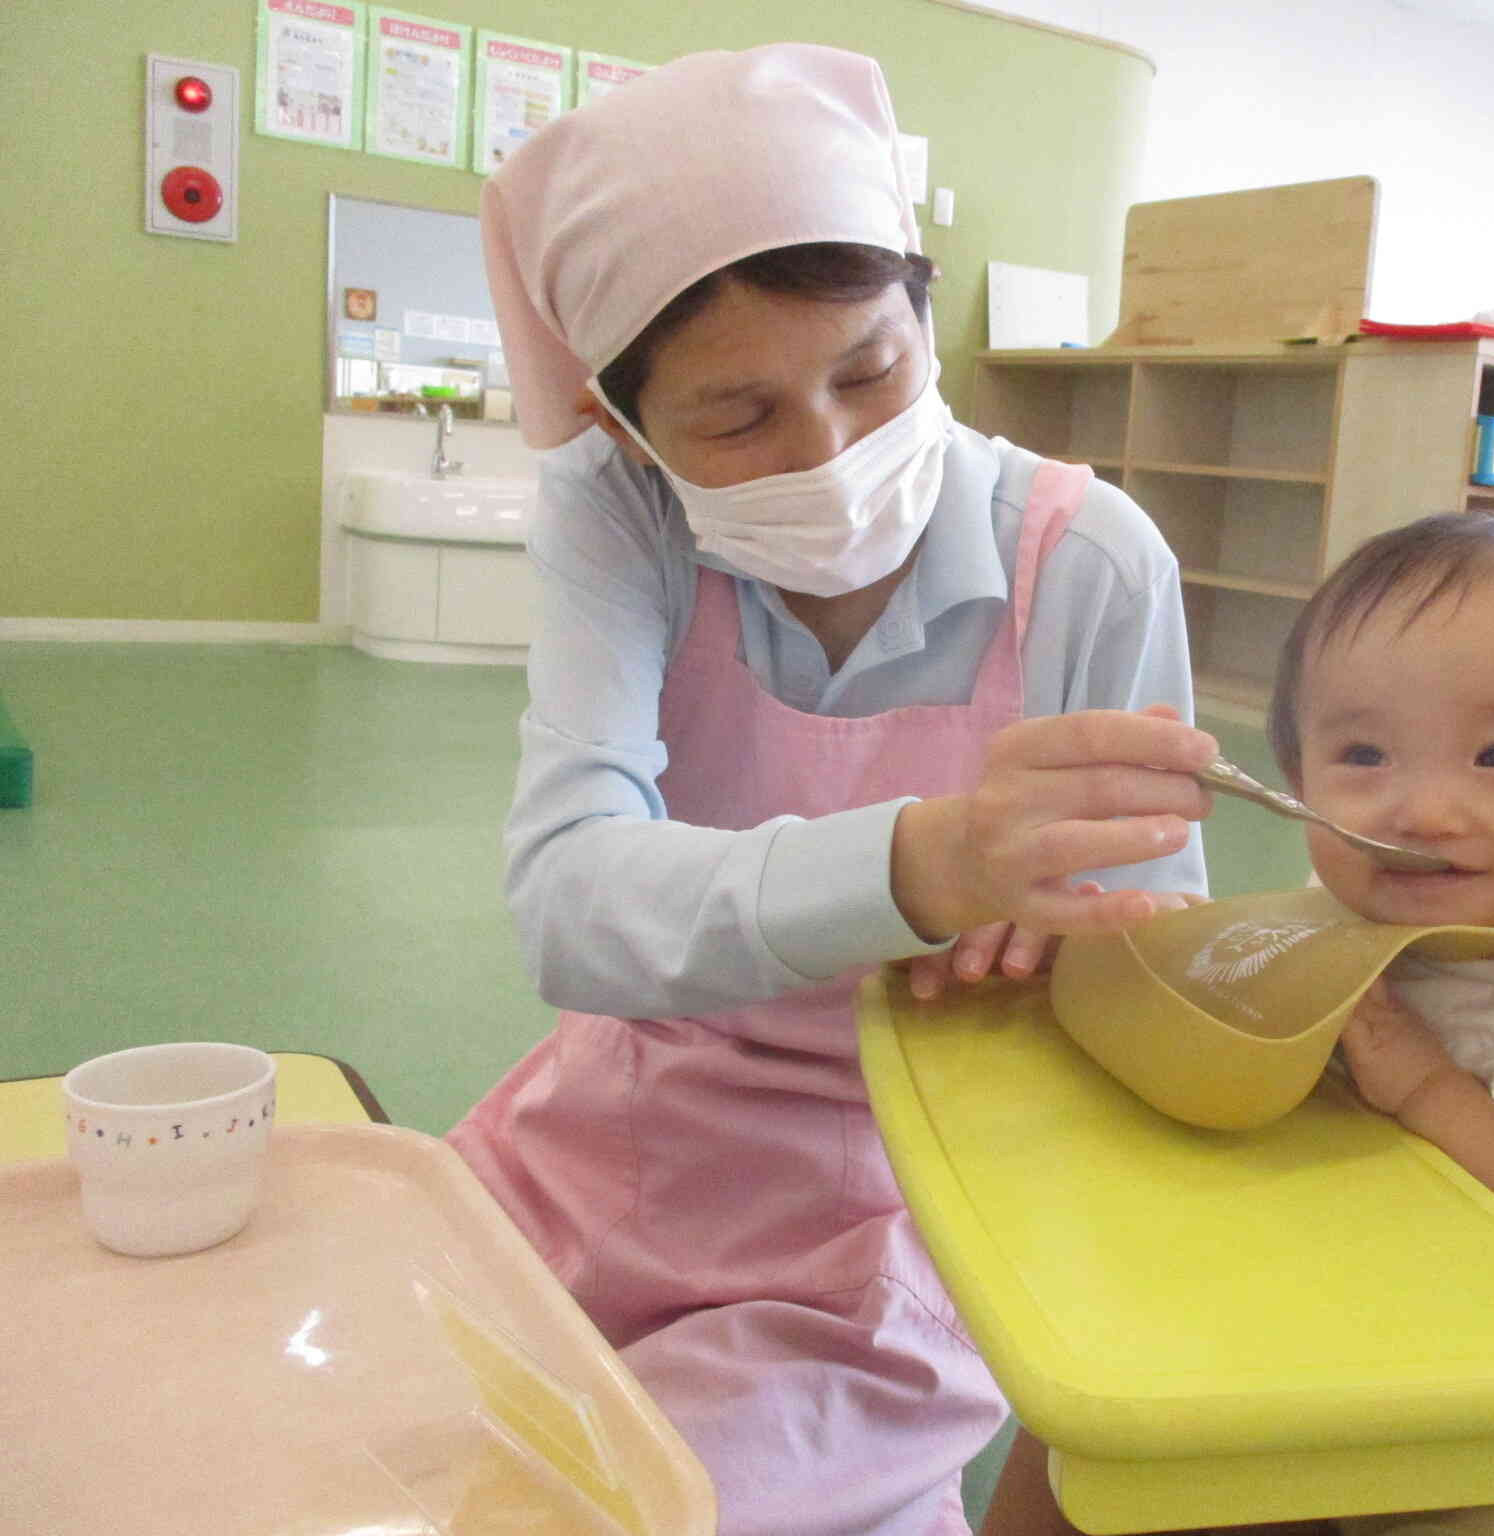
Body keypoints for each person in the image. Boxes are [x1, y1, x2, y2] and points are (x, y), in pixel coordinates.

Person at [443, 42, 1215, 1536]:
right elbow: (568, 902)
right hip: (618, 1132)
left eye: (872, 369)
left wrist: (1080, 945)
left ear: (927, 311)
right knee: (379, 1433)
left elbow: (1157, 969)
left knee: (643, 1505)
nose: (832, 450)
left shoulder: (1092, 559)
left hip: (911, 1183)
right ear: (622, 421)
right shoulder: (621, 524)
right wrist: (932, 863)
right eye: (737, 422)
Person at [985, 512, 1494, 1536]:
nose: (1420, 809)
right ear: (1298, 787)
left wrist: (1427, 1089)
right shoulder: (1316, 933)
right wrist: (1142, 958)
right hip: (1286, 1381)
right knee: (1080, 1450)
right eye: (1364, 755)